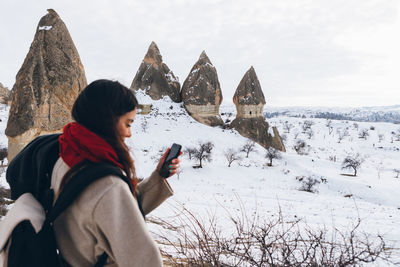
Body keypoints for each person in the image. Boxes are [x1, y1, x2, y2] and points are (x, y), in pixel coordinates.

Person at [51, 79, 180, 266]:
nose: (129, 134)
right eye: (128, 124)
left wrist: (158, 177)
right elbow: (145, 260)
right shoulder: (107, 185)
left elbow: (107, 213)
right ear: (107, 121)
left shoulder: (67, 156)